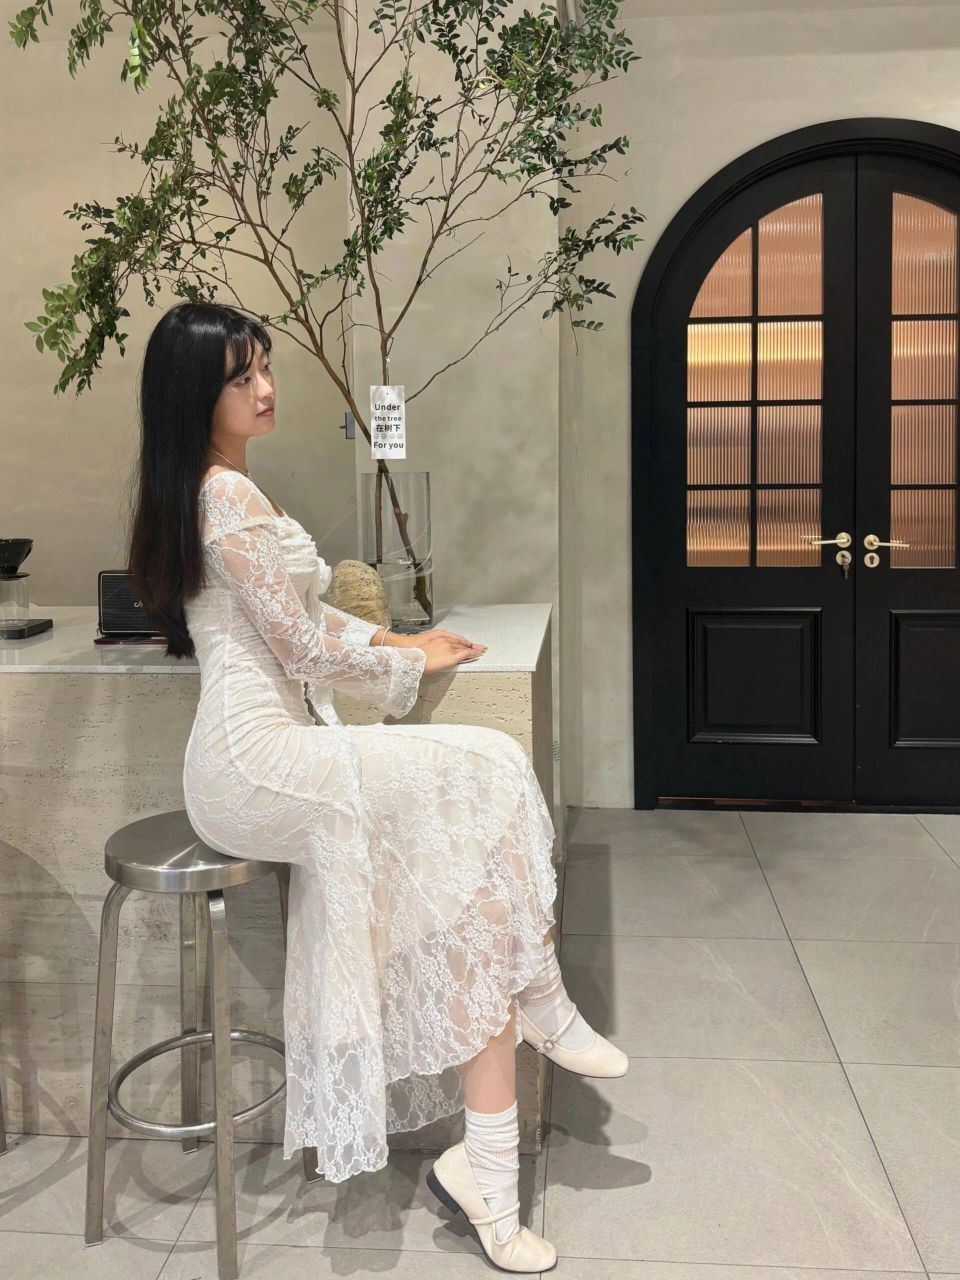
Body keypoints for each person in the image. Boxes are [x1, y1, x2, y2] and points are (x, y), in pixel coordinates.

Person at [127, 301, 628, 1273]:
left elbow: (308, 616)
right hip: (252, 761)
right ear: (195, 394)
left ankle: (489, 1168)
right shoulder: (223, 497)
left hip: (275, 751)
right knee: (489, 764)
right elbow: (304, 647)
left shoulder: (218, 489)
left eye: (265, 366)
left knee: (477, 896)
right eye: (241, 376)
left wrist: (404, 640)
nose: (266, 387)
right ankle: (541, 1000)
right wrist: (407, 657)